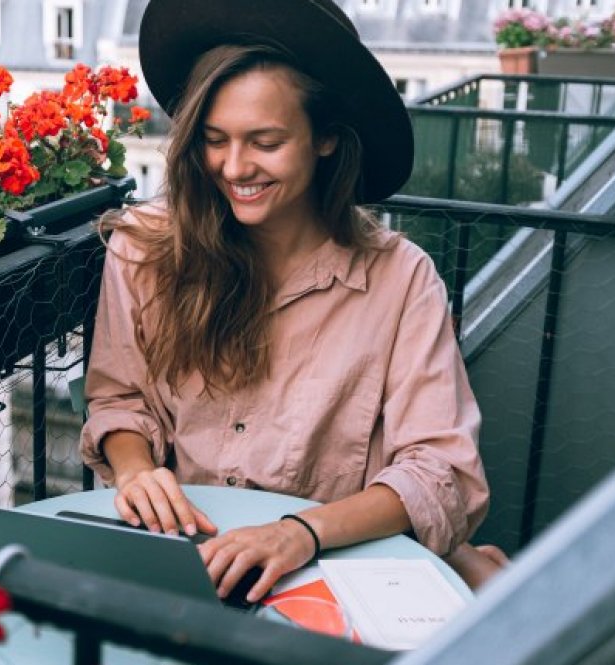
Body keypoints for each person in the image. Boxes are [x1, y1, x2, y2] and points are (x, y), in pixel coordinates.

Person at [79, 0, 507, 603]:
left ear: (326, 137)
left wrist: (300, 534)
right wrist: (135, 469)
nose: (234, 167)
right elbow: (120, 396)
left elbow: (441, 472)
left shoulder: (400, 279)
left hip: (334, 572)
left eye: (266, 141)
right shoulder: (143, 250)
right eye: (214, 140)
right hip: (185, 562)